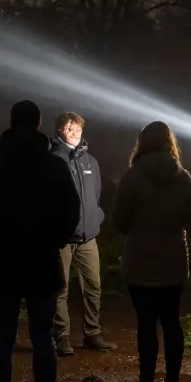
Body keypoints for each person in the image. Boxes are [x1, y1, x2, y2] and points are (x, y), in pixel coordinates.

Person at [0, 100, 80, 382]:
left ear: (11, 122)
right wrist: (55, 239)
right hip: (43, 261)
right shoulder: (54, 166)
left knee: (2, 336)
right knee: (42, 338)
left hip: (5, 260)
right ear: (39, 124)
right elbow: (71, 211)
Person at [113, 121, 191, 382]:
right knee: (172, 321)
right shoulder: (183, 176)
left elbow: (119, 220)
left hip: (140, 257)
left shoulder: (132, 177)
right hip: (173, 256)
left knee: (146, 323)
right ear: (169, 142)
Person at [49, 111, 117, 356]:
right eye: (69, 128)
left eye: (78, 127)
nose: (75, 132)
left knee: (93, 285)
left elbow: (95, 195)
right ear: (59, 131)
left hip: (88, 236)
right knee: (61, 288)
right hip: (61, 237)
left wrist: (95, 217)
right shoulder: (53, 160)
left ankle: (92, 334)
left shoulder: (91, 162)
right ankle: (62, 337)